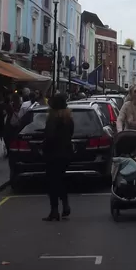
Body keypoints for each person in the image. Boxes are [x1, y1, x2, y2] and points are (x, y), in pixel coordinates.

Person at [42, 93, 74, 221]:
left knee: (52, 183)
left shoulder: (52, 119)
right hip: (65, 153)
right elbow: (70, 134)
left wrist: (43, 146)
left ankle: (54, 210)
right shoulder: (68, 119)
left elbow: (49, 137)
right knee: (61, 179)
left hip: (53, 154)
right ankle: (65, 205)